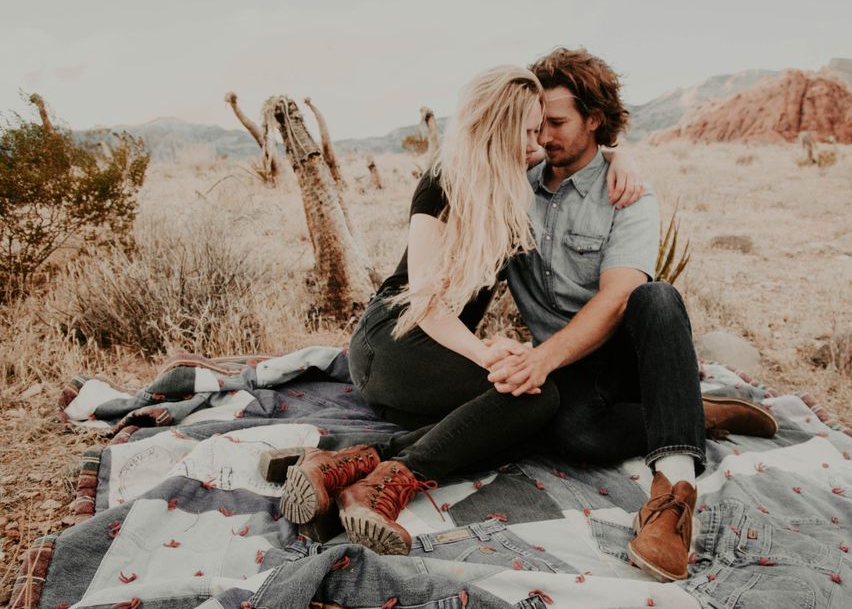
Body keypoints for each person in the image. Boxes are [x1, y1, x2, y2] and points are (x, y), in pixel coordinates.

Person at [269, 65, 643, 556]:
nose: (538, 144)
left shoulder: (517, 182)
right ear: (501, 128)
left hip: (428, 371)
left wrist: (618, 156)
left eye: (542, 130)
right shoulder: (443, 184)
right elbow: (425, 304)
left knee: (521, 425)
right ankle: (378, 485)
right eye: (529, 131)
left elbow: (578, 156)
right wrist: (486, 354)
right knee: (535, 399)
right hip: (394, 340)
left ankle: (344, 466)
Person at [487, 48, 778, 582]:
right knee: (576, 439)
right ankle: (695, 414)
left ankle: (671, 502)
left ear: (594, 120)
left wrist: (540, 359)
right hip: (571, 366)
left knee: (655, 296)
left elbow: (616, 300)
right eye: (536, 125)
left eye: (557, 123)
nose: (543, 137)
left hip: (623, 355)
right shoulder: (512, 187)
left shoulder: (629, 196)